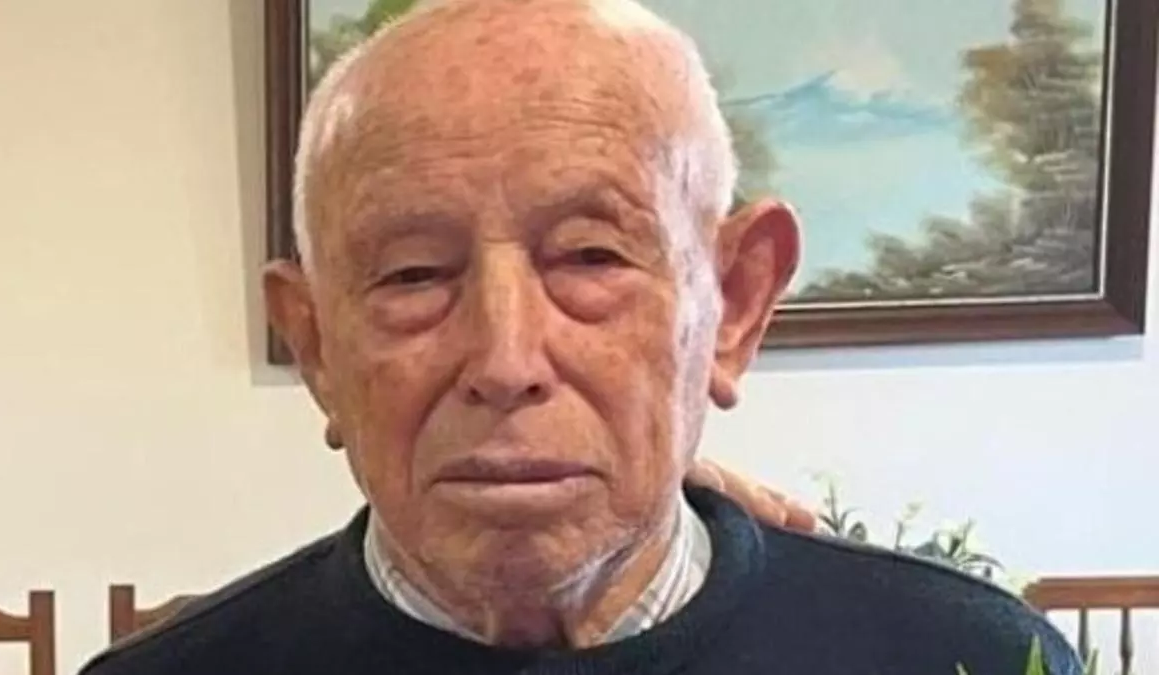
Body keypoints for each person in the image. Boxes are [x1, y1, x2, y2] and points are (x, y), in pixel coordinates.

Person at [80, 0, 1080, 673]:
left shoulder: (959, 656)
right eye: (414, 274)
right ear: (314, 347)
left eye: (591, 257)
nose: (506, 361)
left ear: (734, 302)